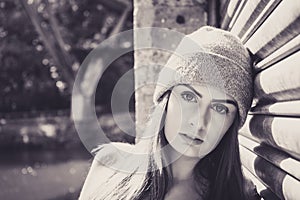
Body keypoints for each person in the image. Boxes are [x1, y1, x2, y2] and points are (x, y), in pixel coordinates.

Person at [79, 26, 260, 200]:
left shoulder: (239, 195)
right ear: (166, 98)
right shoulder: (110, 161)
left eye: (220, 109)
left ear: (233, 122)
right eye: (189, 97)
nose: (199, 121)